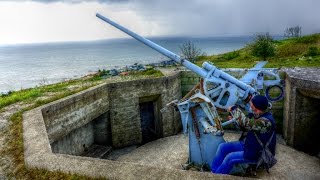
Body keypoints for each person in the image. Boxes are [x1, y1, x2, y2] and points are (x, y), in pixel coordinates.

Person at [211, 95, 276, 174]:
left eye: (252, 104)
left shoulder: (266, 122)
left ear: (257, 107)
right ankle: (214, 172)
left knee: (229, 158)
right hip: (249, 145)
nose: (250, 105)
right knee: (222, 147)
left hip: (257, 153)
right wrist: (235, 120)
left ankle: (217, 176)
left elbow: (246, 123)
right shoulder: (258, 114)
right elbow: (246, 128)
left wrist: (234, 109)